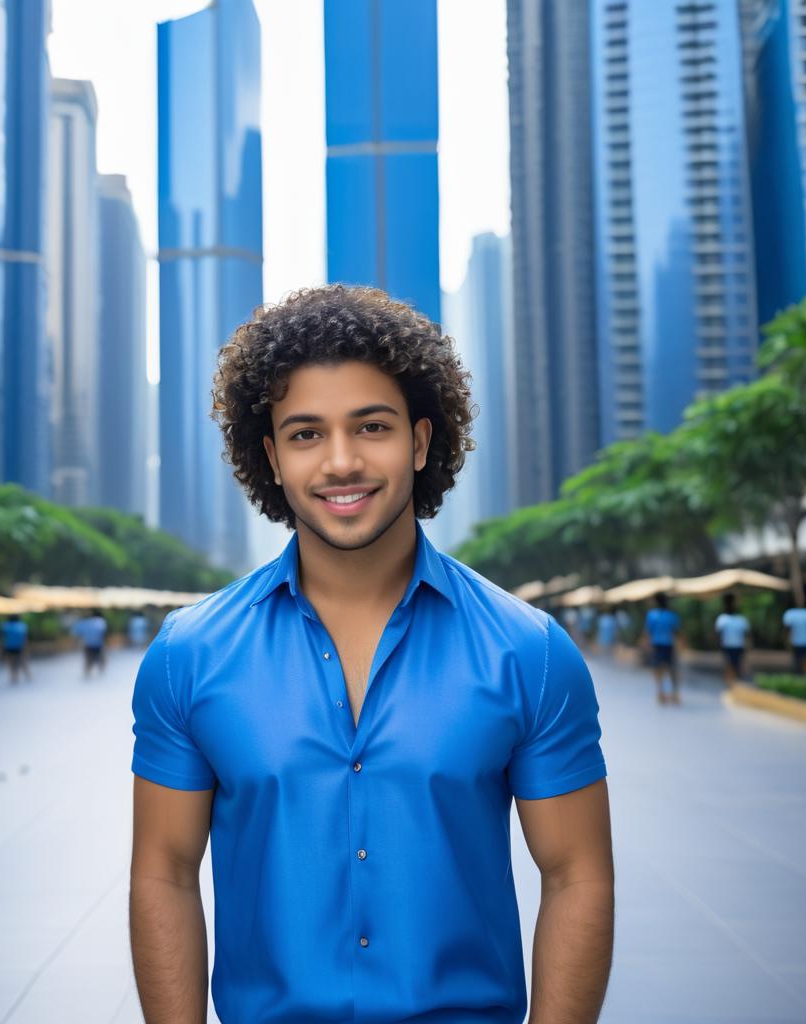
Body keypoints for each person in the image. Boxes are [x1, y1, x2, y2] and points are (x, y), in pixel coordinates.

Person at [129, 286, 614, 1024]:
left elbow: (577, 874)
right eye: (305, 434)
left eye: (372, 427)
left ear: (421, 441)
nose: (342, 462)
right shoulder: (187, 655)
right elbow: (164, 872)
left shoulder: (530, 652)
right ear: (270, 456)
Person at [642, 592, 681, 704]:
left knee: (658, 669)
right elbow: (676, 632)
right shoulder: (671, 615)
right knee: (671, 669)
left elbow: (648, 632)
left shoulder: (651, 615)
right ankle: (674, 693)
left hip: (657, 645)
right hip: (669, 644)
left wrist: (647, 645)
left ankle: (660, 692)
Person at [714, 592, 751, 687]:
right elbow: (719, 637)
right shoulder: (722, 619)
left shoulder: (741, 620)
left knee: (737, 668)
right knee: (730, 668)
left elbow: (747, 637)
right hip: (727, 647)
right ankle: (731, 687)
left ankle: (735, 687)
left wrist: (747, 650)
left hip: (739, 647)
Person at [782, 600, 806, 675]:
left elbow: (787, 630)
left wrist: (787, 640)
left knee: (802, 659)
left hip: (802, 641)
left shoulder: (791, 614)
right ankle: (805, 674)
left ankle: (804, 674)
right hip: (804, 641)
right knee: (804, 659)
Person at [72, 609, 107, 677]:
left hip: (88, 644)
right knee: (101, 661)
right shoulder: (100, 622)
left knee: (88, 662)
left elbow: (76, 633)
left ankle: (87, 676)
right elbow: (104, 633)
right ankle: (101, 675)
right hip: (98, 644)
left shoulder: (84, 623)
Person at [0, 613, 30, 684]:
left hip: (9, 646)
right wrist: (26, 648)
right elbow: (24, 638)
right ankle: (27, 675)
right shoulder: (21, 626)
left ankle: (13, 677)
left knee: (11, 663)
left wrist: (2, 648)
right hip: (19, 646)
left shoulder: (5, 626)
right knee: (22, 662)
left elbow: (3, 638)